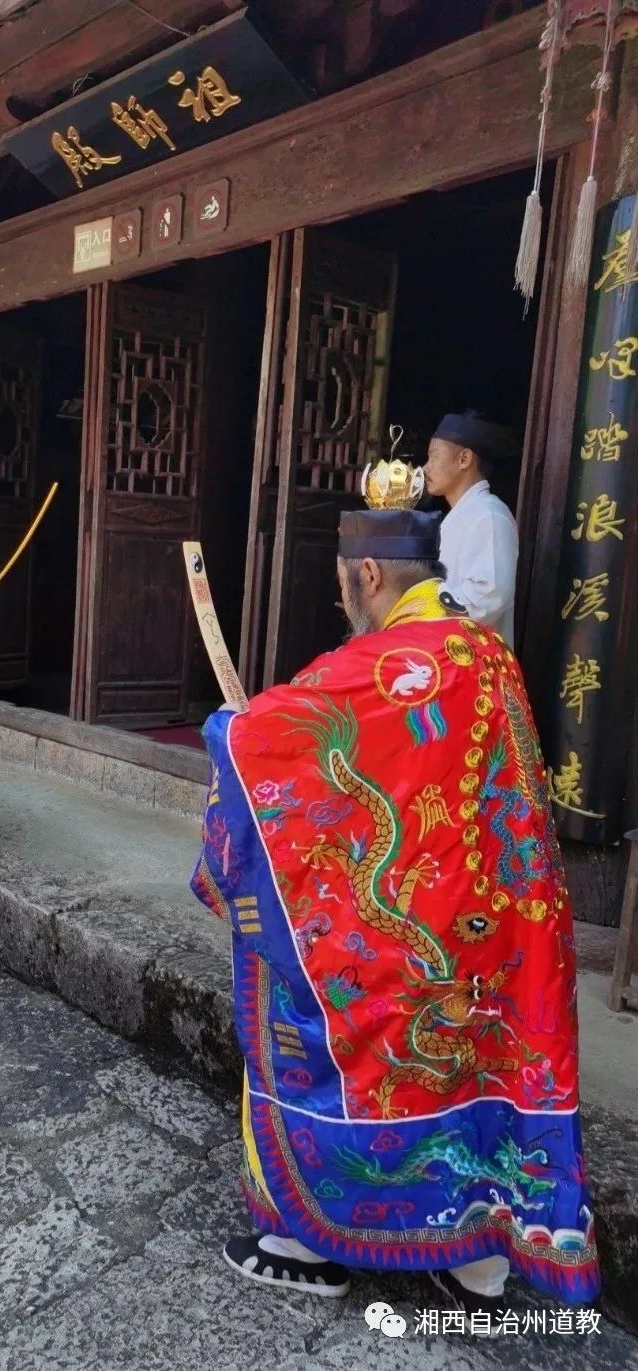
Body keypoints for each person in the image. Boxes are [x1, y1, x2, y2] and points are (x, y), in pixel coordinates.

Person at [192, 470, 598, 1323]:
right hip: (500, 933)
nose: (346, 601)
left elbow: (269, 740)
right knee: (482, 1049)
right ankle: (479, 1263)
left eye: (344, 586)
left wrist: (228, 733)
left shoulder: (383, 663)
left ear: (367, 577)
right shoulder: (488, 653)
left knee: (315, 989)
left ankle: (309, 1239)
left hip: (417, 928)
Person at [423, 411, 519, 646]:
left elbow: (488, 595)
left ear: (464, 459)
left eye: (433, 457)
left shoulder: (489, 515)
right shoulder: (463, 514)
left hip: (474, 666)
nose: (425, 468)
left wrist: (422, 608)